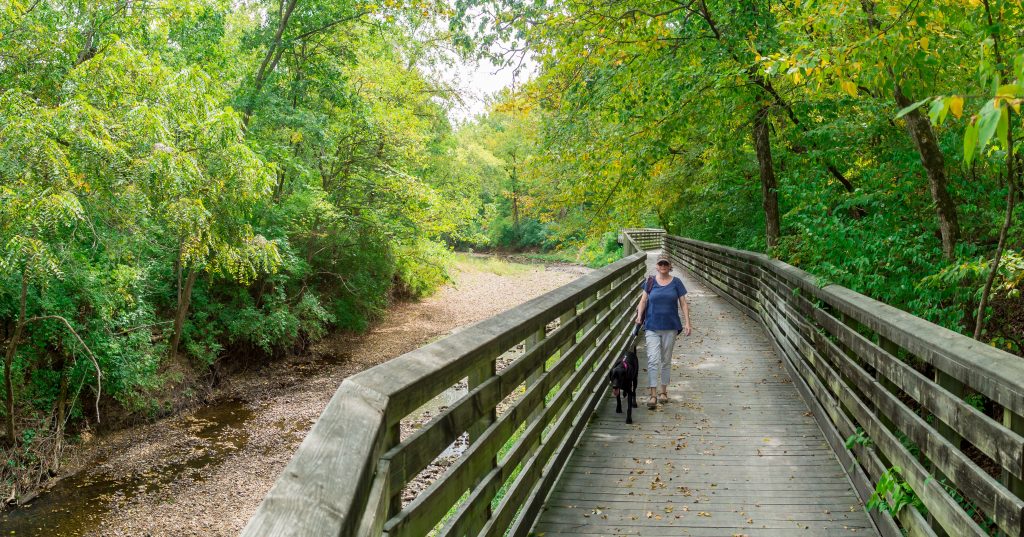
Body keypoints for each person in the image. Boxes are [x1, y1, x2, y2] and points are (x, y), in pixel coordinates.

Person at [635, 252, 692, 409]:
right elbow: (643, 300)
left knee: (666, 360)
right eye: (660, 264)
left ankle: (663, 392)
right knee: (653, 360)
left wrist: (687, 323)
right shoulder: (650, 281)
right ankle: (653, 395)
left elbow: (683, 303)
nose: (663, 266)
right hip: (652, 326)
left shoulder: (677, 282)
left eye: (665, 264)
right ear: (656, 266)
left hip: (670, 326)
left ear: (670, 266)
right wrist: (639, 316)